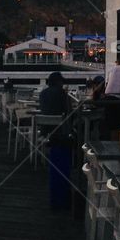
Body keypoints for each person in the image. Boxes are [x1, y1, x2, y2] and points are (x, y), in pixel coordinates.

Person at [38, 71, 73, 209]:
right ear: (59, 82)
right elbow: (70, 113)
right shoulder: (62, 94)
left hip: (47, 132)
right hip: (61, 134)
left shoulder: (43, 94)